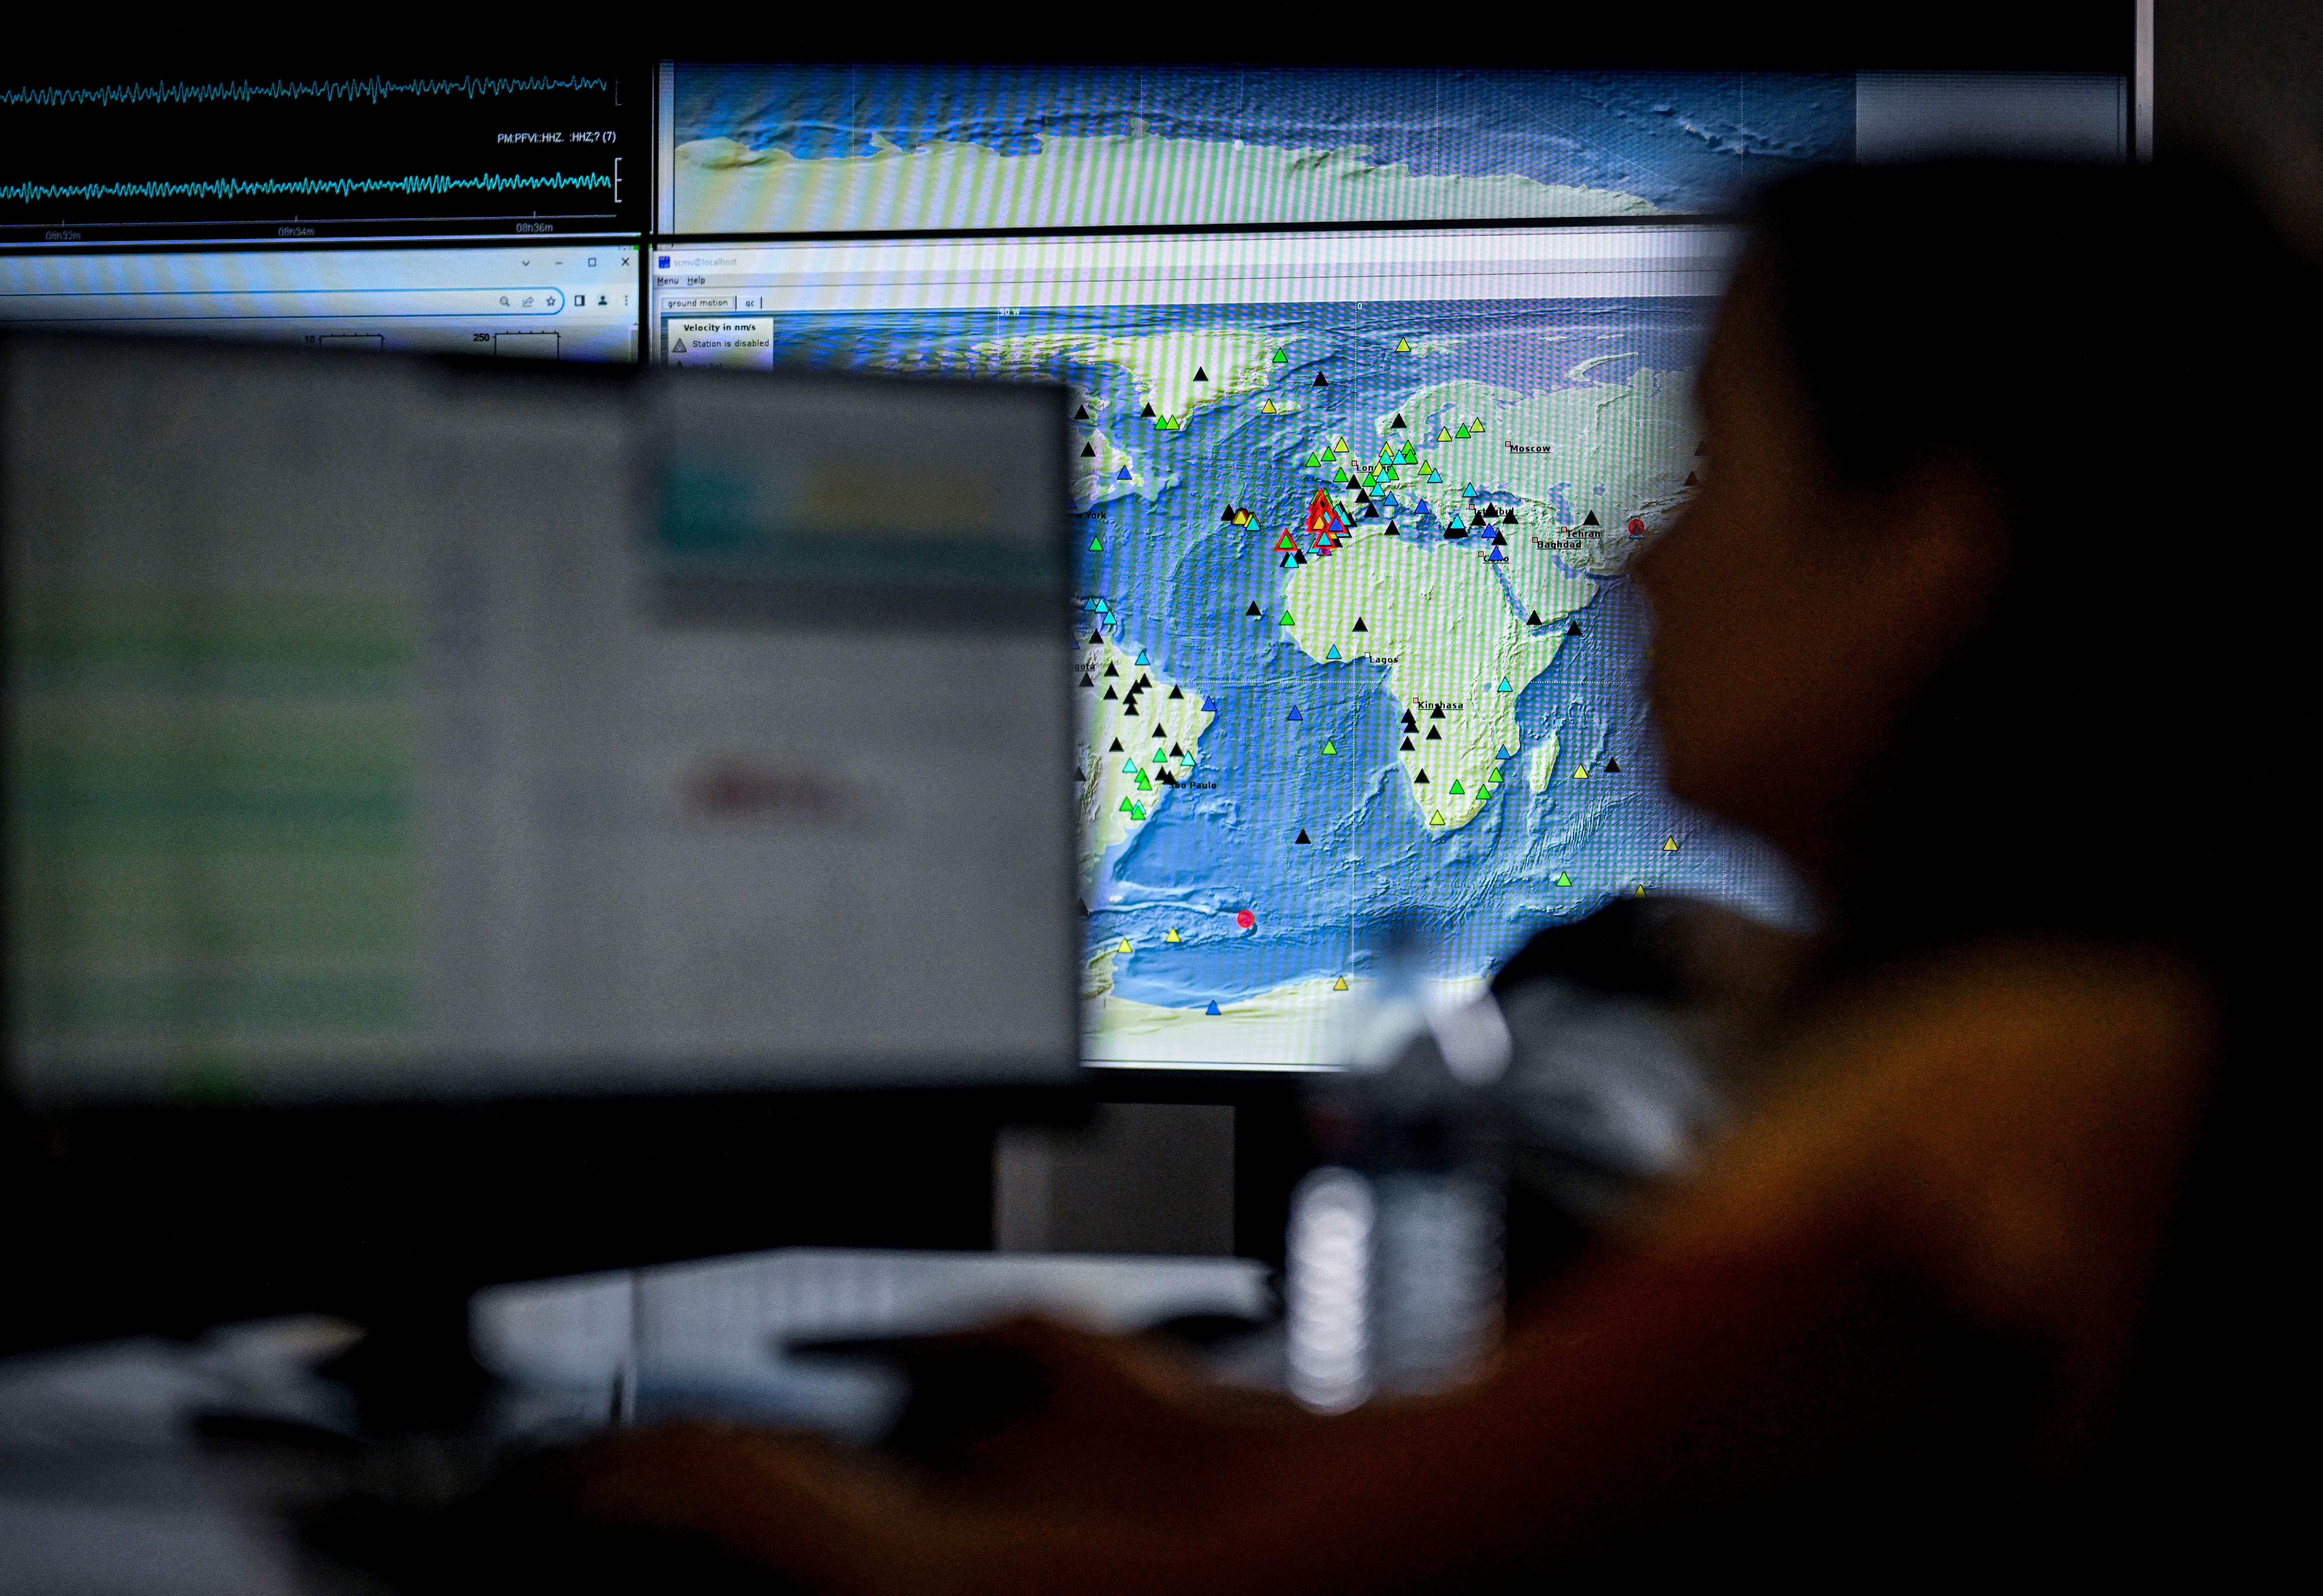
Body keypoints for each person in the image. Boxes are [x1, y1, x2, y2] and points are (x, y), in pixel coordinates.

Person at [562, 161, 2307, 1588]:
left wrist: (818, 1537)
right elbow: (1557, 1496)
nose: (1641, 565)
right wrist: (1176, 1440)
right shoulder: (2082, 1039)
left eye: (1715, 471)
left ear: (1931, 551)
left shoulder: (1997, 1088)